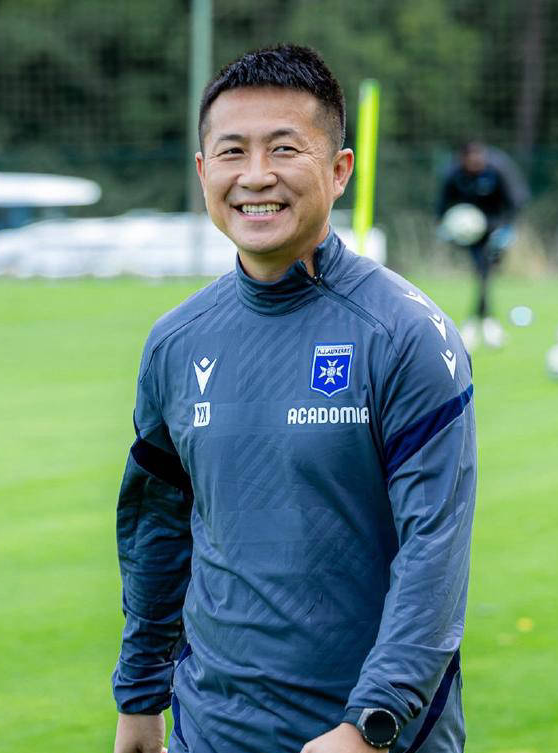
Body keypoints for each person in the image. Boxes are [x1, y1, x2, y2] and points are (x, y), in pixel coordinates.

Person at [112, 45, 477, 753]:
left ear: (339, 170)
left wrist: (370, 724)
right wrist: (140, 694)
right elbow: (158, 531)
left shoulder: (404, 335)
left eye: (283, 149)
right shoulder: (175, 342)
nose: (256, 176)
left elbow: (433, 551)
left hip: (368, 738)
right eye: (232, 152)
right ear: (202, 172)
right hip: (209, 732)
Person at [434, 141, 529, 350]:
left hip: (495, 225)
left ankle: (480, 323)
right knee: (483, 272)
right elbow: (442, 203)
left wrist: (506, 229)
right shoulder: (454, 174)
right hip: (469, 230)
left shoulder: (498, 169)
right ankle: (486, 324)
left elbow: (516, 200)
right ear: (462, 159)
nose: (475, 163)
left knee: (485, 272)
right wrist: (444, 225)